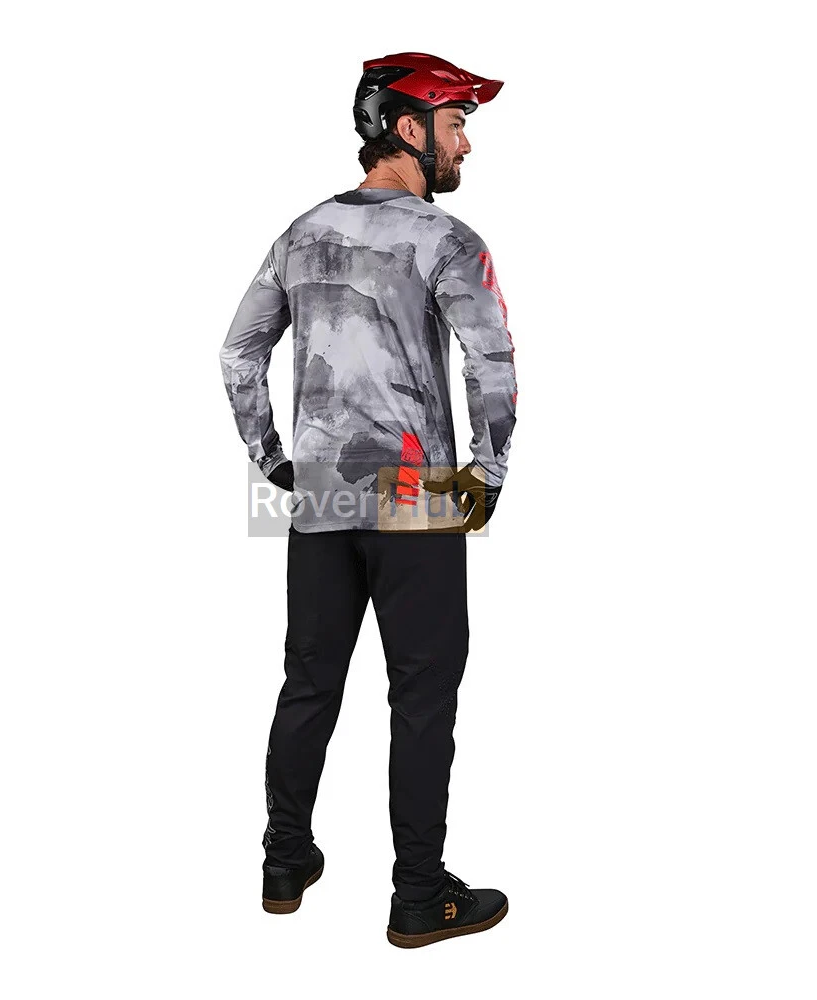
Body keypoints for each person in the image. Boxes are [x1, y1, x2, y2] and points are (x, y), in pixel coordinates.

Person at [219, 52, 518, 948]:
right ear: (408, 128)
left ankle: (284, 861)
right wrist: (488, 473)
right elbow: (491, 361)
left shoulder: (301, 233)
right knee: (422, 696)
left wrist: (271, 458)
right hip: (416, 497)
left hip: (318, 493)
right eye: (456, 124)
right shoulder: (448, 240)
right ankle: (419, 897)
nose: (466, 144)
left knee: (308, 682)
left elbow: (238, 352)